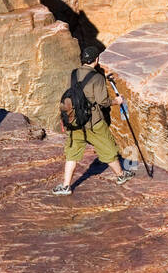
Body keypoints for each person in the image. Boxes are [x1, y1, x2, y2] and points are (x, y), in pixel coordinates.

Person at [54, 45, 134, 196]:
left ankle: (65, 186)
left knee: (72, 153)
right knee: (108, 149)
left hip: (74, 120)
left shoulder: (73, 73)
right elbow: (103, 102)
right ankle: (121, 176)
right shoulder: (97, 78)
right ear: (96, 60)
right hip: (93, 122)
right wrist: (117, 101)